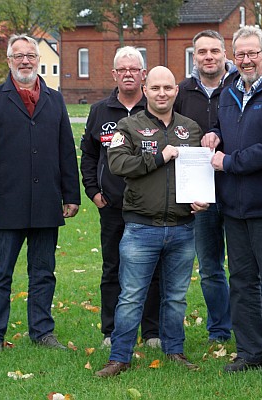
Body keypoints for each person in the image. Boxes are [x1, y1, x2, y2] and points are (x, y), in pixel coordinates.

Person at [95, 66, 209, 377]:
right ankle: (119, 356)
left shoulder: (190, 128)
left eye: (168, 88)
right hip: (141, 227)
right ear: (146, 91)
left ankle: (174, 350)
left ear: (176, 91)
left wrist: (200, 198)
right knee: (131, 295)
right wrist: (160, 156)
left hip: (183, 228)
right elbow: (118, 163)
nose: (162, 93)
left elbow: (199, 171)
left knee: (175, 296)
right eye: (156, 88)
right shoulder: (128, 126)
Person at [201, 26, 262, 376]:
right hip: (233, 207)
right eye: (240, 54)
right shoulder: (230, 91)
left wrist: (229, 162)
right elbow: (224, 131)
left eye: (252, 53)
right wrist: (214, 134)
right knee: (241, 281)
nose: (245, 60)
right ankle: (248, 351)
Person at [0, 34, 80, 353]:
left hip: (47, 201)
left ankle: (42, 331)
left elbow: (65, 149)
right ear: (8, 61)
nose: (25, 61)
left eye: (30, 55)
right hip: (5, 204)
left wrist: (70, 194)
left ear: (38, 59)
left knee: (44, 272)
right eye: (18, 56)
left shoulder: (55, 99)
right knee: (0, 273)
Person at [81, 46, 162, 349]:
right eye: (122, 69)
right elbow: (88, 155)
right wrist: (93, 191)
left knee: (152, 269)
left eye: (134, 69)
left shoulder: (155, 108)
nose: (128, 74)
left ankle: (151, 332)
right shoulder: (100, 111)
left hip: (149, 207)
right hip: (113, 207)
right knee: (112, 268)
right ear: (114, 74)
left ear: (144, 74)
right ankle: (110, 331)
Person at [173, 30, 237, 344]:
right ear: (194, 56)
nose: (208, 57)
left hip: (237, 187)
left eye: (214, 51)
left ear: (224, 54)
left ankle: (250, 327)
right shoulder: (182, 91)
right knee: (210, 267)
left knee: (242, 267)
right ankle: (220, 330)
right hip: (199, 193)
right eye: (202, 52)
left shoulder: (241, 86)